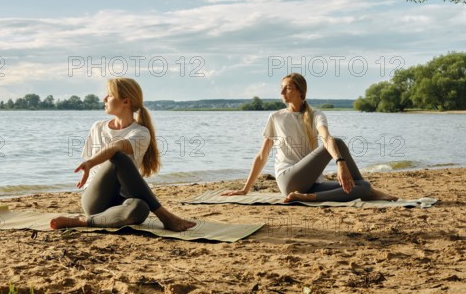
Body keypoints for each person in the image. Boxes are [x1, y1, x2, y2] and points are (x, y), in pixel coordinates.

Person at [50, 77, 196, 231]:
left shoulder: (140, 133)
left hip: (122, 200)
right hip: (96, 199)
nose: (104, 98)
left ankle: (83, 221)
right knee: (117, 158)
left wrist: (90, 162)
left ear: (126, 102)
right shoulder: (98, 127)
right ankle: (165, 216)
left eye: (110, 95)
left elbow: (117, 146)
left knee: (140, 208)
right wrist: (90, 164)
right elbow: (112, 154)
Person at [224, 73, 397, 203]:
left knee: (363, 186)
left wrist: (340, 163)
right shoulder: (276, 117)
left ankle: (309, 197)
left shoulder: (316, 115)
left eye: (288, 88)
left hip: (312, 183)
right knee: (337, 144)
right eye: (282, 87)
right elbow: (262, 156)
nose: (282, 91)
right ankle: (312, 195)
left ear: (300, 92)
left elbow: (325, 137)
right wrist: (245, 189)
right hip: (288, 179)